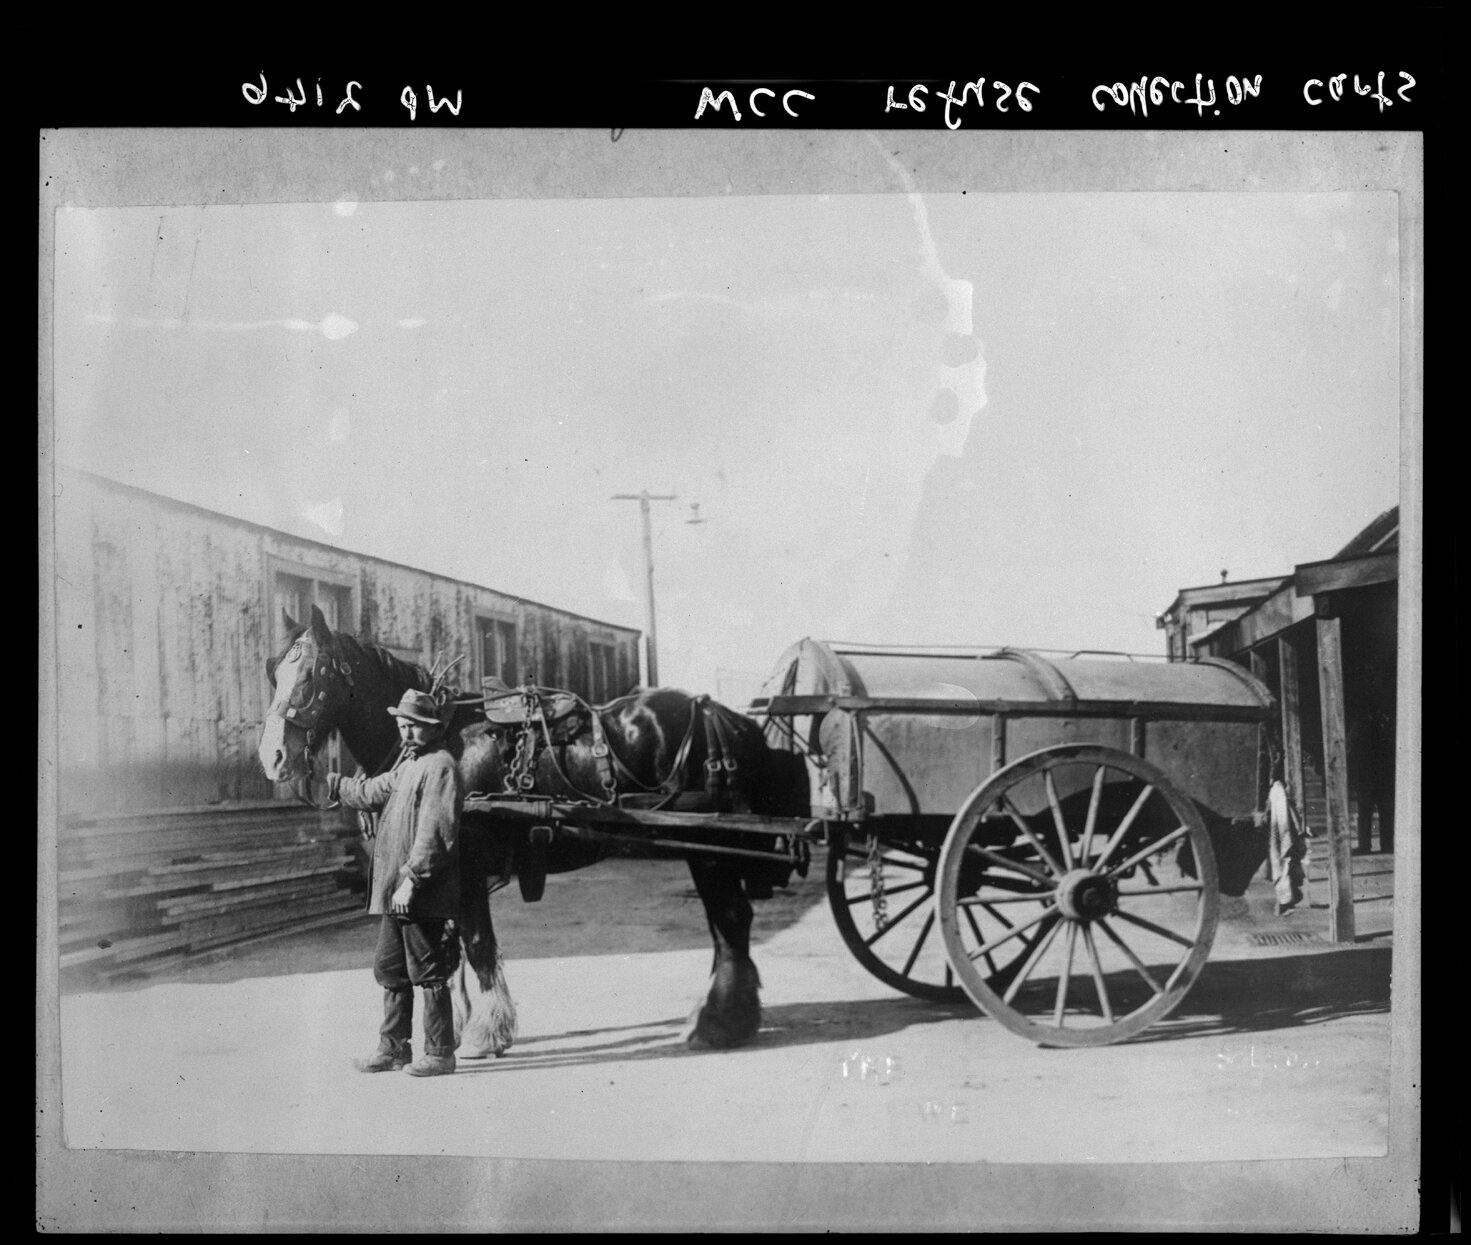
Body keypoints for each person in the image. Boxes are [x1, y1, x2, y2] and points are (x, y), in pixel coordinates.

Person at [327, 688, 464, 1077]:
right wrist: (334, 782)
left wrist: (413, 880)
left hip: (419, 893)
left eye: (414, 727)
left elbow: (435, 830)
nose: (406, 734)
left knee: (428, 970)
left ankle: (439, 1053)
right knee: (390, 970)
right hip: (395, 893)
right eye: (402, 727)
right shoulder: (409, 766)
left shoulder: (440, 766)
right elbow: (371, 791)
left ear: (432, 728)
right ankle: (393, 1049)